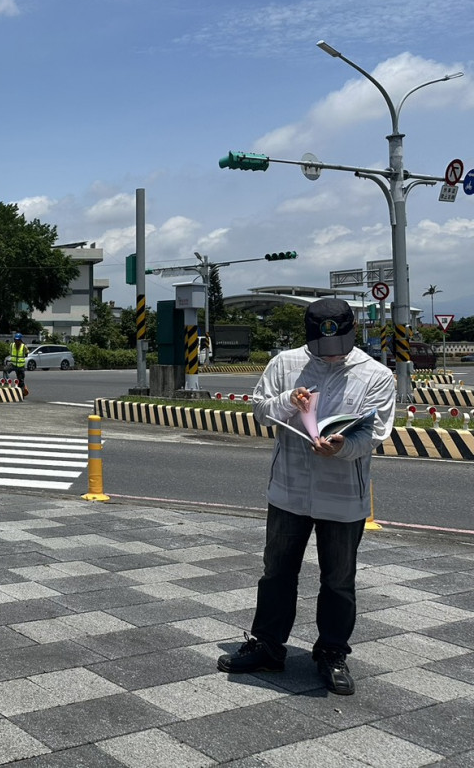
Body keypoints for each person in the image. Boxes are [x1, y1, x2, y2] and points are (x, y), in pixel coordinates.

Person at [217, 298, 395, 696]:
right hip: (289, 489)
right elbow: (261, 410)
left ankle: (332, 652)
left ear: (352, 331)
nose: (330, 353)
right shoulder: (284, 364)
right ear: (308, 336)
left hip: (343, 495)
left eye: (339, 343)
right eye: (321, 345)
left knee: (338, 579)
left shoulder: (376, 375)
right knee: (277, 571)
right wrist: (287, 401)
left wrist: (341, 447)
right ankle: (267, 645)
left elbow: (375, 433)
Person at [5, 332, 30, 397]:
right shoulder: (11, 345)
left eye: (18, 340)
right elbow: (10, 353)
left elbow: (26, 354)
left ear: (20, 340)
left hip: (20, 366)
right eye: (15, 340)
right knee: (5, 370)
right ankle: (6, 382)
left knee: (20, 380)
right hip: (13, 364)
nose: (16, 341)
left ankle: (21, 393)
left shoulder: (24, 346)